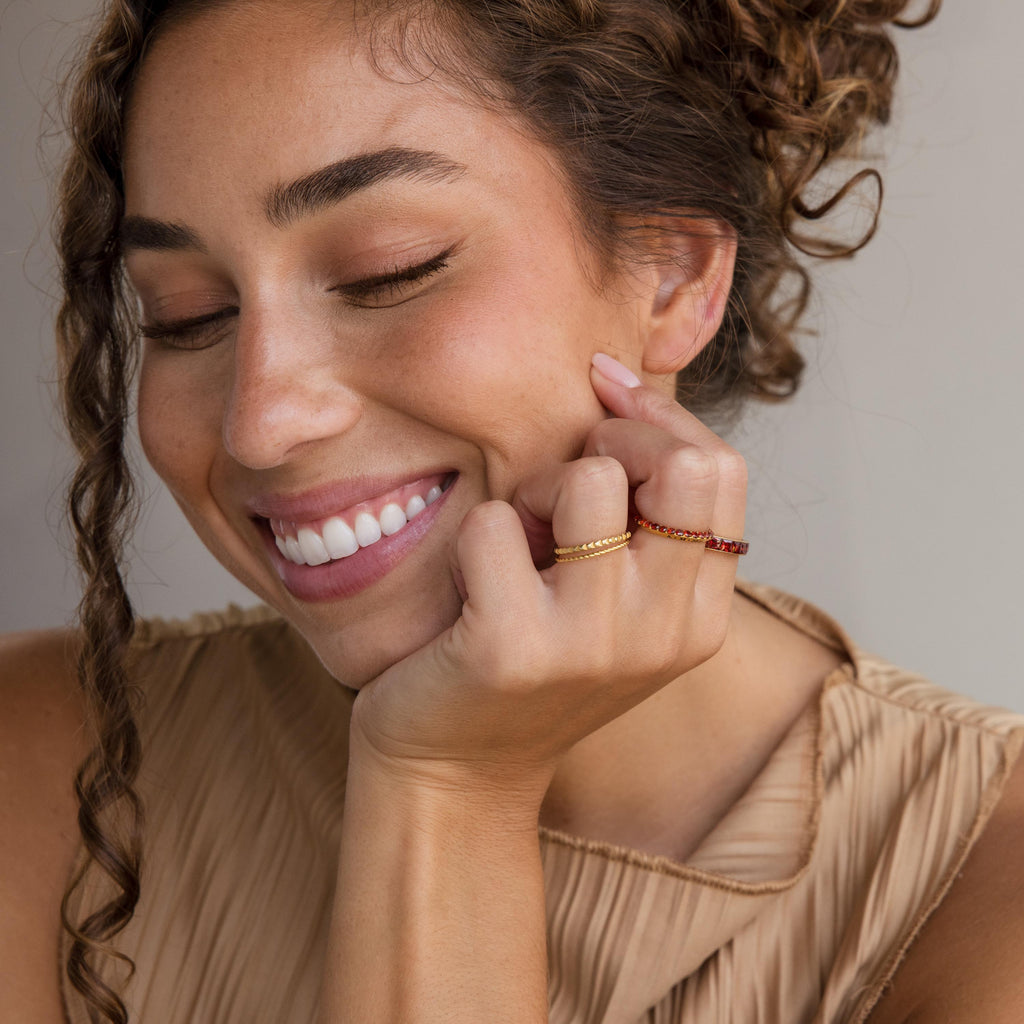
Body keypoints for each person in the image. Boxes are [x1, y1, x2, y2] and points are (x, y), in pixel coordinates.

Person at [3, 0, 1024, 1022]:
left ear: (672, 275)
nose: (259, 422)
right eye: (185, 315)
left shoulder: (981, 883)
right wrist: (440, 780)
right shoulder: (42, 771)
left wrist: (447, 786)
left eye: (386, 271)